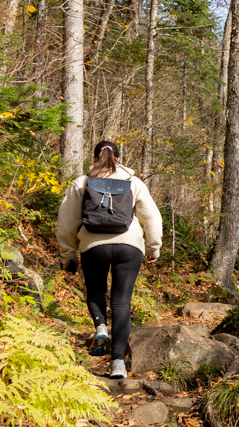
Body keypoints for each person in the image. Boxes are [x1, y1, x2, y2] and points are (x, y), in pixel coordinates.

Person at [56, 141, 162, 379]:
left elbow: (66, 222)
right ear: (118, 159)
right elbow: (152, 218)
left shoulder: (82, 182)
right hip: (129, 246)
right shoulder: (134, 183)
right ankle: (117, 364)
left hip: (93, 246)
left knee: (95, 291)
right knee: (121, 303)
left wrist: (68, 254)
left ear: (94, 159)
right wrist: (153, 248)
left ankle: (100, 327)